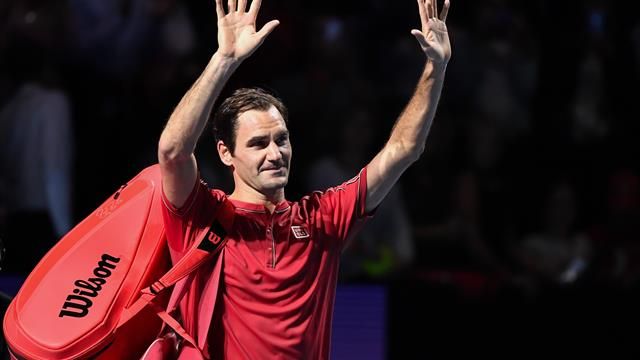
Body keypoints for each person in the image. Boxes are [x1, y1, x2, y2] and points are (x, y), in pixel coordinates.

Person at [157, 0, 451, 358]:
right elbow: (173, 152)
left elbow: (404, 148)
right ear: (225, 154)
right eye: (258, 144)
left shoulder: (322, 218)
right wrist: (225, 60)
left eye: (281, 139)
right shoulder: (201, 218)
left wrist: (436, 66)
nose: (275, 153)